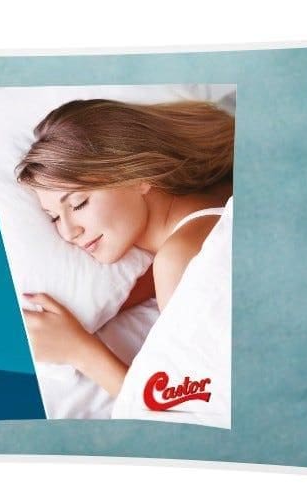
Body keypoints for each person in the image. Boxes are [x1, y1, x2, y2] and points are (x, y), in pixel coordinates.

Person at [15, 98, 234, 399]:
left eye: (78, 203)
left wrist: (79, 350)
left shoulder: (179, 258)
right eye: (54, 217)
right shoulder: (215, 205)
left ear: (138, 176)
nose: (68, 232)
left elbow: (193, 409)